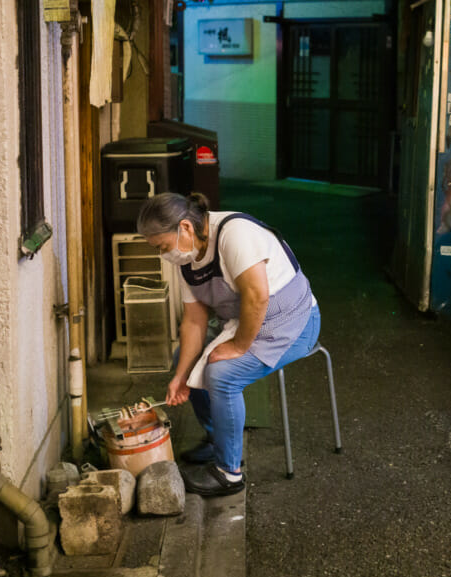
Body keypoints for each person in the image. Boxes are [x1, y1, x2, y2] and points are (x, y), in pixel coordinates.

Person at [137, 192, 321, 496]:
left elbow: (257, 295)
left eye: (163, 247)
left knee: (222, 375)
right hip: (245, 323)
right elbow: (194, 321)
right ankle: (217, 439)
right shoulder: (188, 257)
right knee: (185, 357)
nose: (163, 255)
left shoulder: (235, 235)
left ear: (184, 228)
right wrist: (181, 377)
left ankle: (229, 474)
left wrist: (238, 346)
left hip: (292, 323)